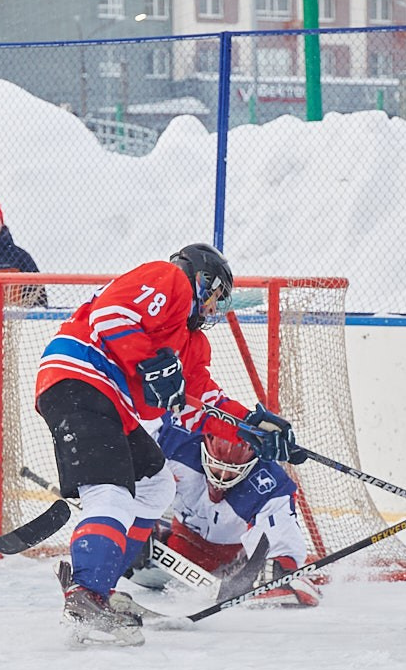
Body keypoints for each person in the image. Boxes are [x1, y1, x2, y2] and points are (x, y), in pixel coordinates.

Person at [32, 243, 294, 645]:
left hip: (111, 401)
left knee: (156, 485)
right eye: (215, 295)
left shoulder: (190, 343)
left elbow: (198, 403)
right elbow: (111, 315)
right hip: (81, 380)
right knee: (110, 494)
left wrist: (253, 430)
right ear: (204, 279)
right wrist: (147, 361)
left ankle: (103, 586)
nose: (212, 308)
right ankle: (87, 593)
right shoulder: (170, 280)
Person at [132, 419, 320, 606]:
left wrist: (282, 569)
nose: (221, 477)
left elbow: (281, 537)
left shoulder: (268, 482)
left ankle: (312, 567)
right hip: (184, 540)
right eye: (216, 465)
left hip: (238, 557)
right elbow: (130, 451)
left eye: (232, 471)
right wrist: (137, 520)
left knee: (287, 570)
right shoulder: (175, 441)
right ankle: (158, 536)